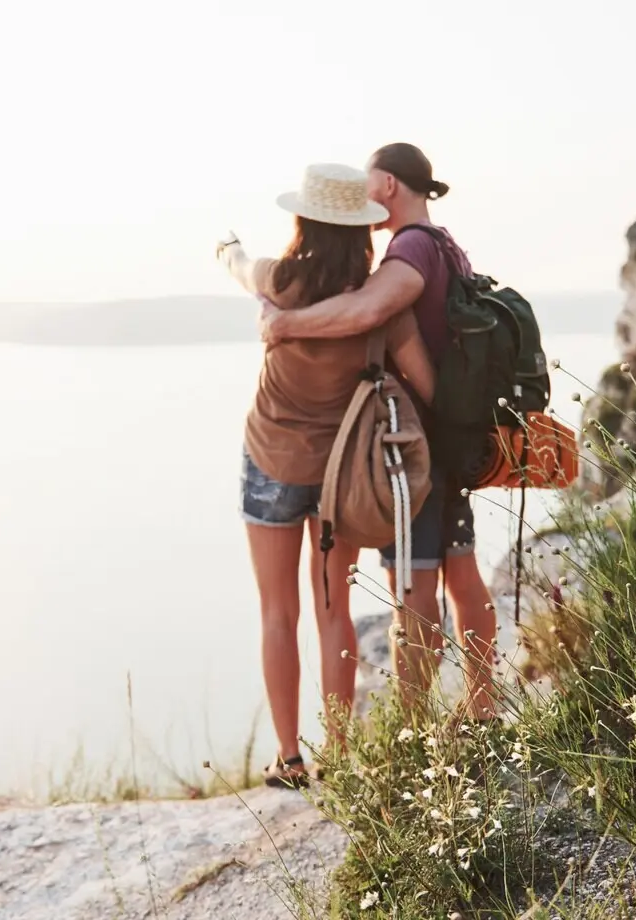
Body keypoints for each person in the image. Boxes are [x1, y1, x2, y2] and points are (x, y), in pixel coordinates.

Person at [258, 143, 500, 723]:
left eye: (369, 182)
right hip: (447, 437)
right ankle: (480, 710)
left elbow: (369, 312)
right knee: (461, 575)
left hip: (413, 447)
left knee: (412, 592)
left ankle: (415, 730)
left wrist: (285, 322)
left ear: (387, 184)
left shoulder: (410, 249)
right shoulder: (446, 246)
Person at [217, 162, 436, 788]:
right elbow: (425, 384)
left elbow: (239, 268)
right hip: (343, 477)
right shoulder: (374, 303)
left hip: (269, 462)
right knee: (333, 611)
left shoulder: (279, 281)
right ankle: (339, 757)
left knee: (275, 612)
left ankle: (290, 759)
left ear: (303, 220)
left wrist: (227, 248)